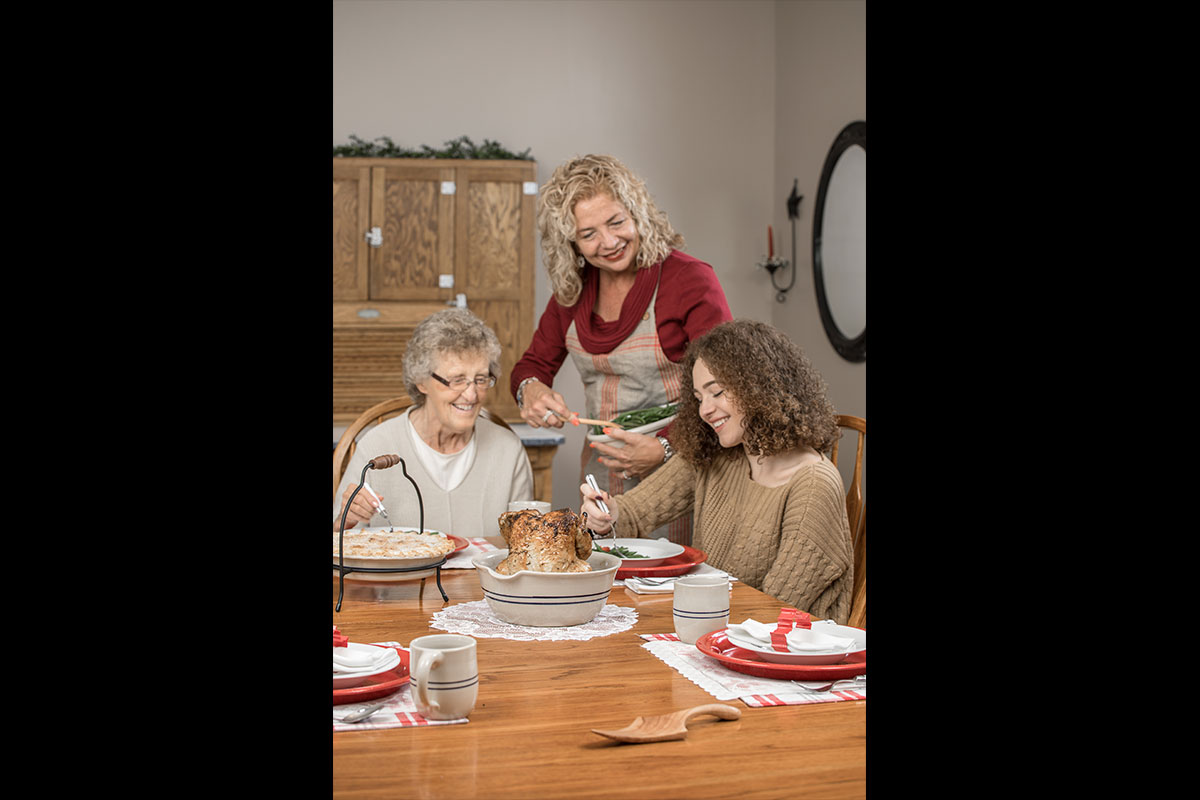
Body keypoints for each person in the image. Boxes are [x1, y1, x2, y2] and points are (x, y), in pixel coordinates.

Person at [510, 154, 732, 545]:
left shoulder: (689, 280)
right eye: (588, 234)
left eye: (616, 223)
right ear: (572, 242)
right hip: (601, 475)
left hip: (684, 466)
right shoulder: (573, 289)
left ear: (638, 214)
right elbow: (532, 365)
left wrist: (664, 447)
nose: (609, 243)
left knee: (673, 585)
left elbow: (728, 386)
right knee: (608, 585)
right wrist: (531, 389)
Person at [579, 320, 854, 623]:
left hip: (787, 649)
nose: (704, 410)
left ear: (759, 387)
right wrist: (605, 514)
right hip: (719, 625)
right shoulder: (715, 455)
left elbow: (774, 609)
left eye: (717, 392)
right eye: (698, 398)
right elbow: (633, 512)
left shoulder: (813, 484)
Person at [334, 308, 534, 539]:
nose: (472, 395)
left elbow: (526, 549)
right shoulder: (377, 446)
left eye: (480, 379)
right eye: (457, 380)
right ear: (421, 380)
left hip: (478, 577)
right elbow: (340, 544)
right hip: (402, 577)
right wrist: (345, 521)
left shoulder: (508, 450)